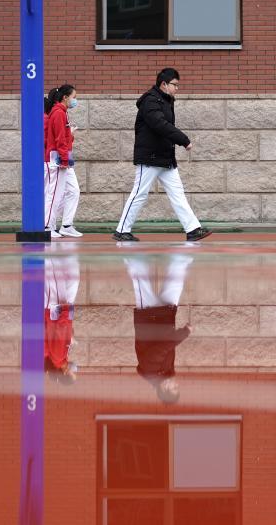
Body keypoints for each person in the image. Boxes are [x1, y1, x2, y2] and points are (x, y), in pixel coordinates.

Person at [113, 68, 211, 242]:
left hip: (164, 157)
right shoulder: (150, 101)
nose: (177, 89)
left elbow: (163, 126)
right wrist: (184, 139)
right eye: (175, 85)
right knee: (139, 193)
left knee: (177, 193)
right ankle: (121, 230)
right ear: (163, 84)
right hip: (150, 157)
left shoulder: (165, 100)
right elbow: (160, 124)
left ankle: (193, 229)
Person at [127, 254, 194, 404]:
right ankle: (186, 250)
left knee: (140, 277)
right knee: (176, 282)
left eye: (174, 388)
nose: (176, 384)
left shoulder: (150, 371)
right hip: (165, 317)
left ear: (164, 389)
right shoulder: (166, 371)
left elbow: (163, 347)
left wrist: (184, 333)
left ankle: (127, 246)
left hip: (148, 316)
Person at [44, 85, 82, 238]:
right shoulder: (59, 113)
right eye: (73, 96)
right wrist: (65, 159)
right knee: (54, 194)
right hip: (58, 160)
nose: (75, 100)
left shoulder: (61, 112)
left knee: (72, 191)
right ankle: (47, 226)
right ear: (65, 97)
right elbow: (59, 138)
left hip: (61, 158)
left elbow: (62, 137)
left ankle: (64, 225)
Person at [44, 248, 81, 383]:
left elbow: (59, 331)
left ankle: (46, 239)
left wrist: (65, 312)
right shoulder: (60, 358)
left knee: (52, 270)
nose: (74, 370)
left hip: (56, 312)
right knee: (55, 272)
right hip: (57, 312)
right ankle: (48, 241)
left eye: (73, 373)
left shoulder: (59, 357)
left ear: (65, 373)